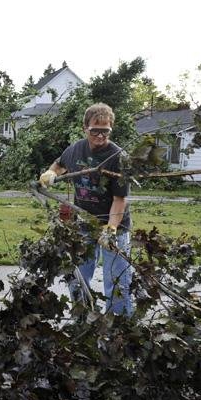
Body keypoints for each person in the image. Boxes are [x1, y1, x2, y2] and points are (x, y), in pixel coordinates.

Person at [38, 103, 133, 315]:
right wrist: (50, 173)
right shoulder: (75, 150)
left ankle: (121, 329)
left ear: (111, 129)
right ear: (85, 129)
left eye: (105, 131)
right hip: (84, 224)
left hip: (115, 226)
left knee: (117, 281)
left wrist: (110, 229)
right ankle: (83, 320)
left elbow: (120, 200)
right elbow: (59, 164)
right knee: (78, 276)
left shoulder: (118, 157)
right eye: (95, 131)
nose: (100, 136)